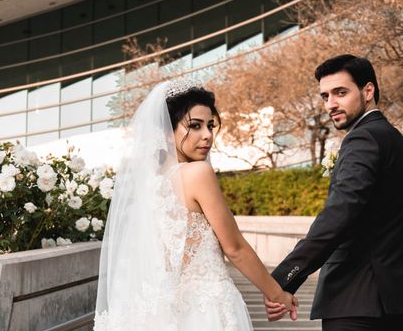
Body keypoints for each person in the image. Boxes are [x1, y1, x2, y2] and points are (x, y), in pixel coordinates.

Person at [94, 79, 297, 330]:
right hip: (205, 309)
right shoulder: (197, 173)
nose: (207, 135)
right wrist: (277, 294)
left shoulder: (148, 183)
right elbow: (234, 248)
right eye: (195, 126)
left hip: (163, 313)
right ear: (168, 132)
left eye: (210, 126)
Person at [265, 55, 403, 331]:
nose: (331, 104)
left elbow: (339, 216)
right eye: (325, 96)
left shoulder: (362, 139)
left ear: (368, 91)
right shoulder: (398, 142)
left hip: (358, 304)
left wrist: (283, 279)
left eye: (340, 93)